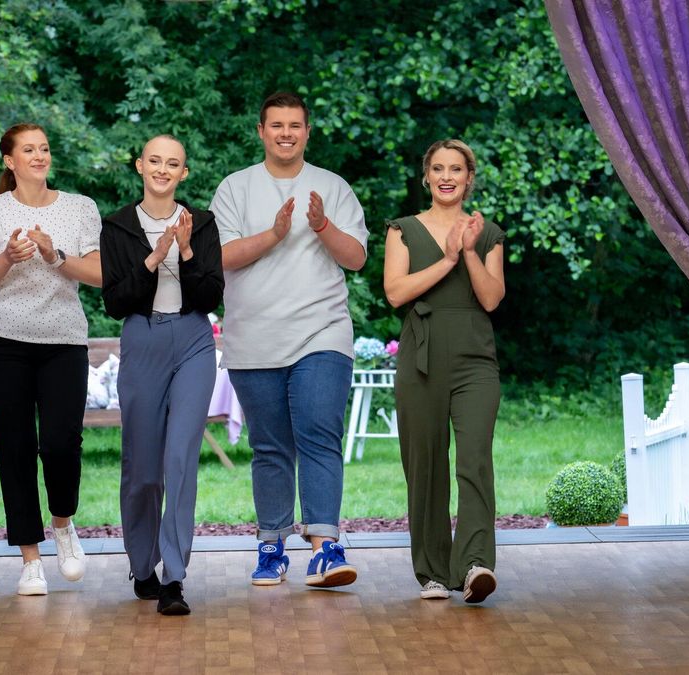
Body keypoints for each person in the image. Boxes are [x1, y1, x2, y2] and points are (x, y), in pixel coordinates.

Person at [209, 92, 368, 588]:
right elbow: (221, 256)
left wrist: (320, 225)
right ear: (261, 131)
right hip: (253, 338)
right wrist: (274, 235)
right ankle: (271, 547)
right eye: (276, 125)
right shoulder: (235, 188)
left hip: (322, 332)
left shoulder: (333, 186)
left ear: (307, 131)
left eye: (294, 125)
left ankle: (325, 548)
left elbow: (357, 257)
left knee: (319, 433)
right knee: (271, 447)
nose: (285, 133)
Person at [0, 123, 103, 596]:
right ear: (10, 161)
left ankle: (63, 525)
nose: (39, 155)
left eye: (44, 148)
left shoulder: (80, 208)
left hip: (63, 343)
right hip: (4, 344)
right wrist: (6, 258)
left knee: (61, 443)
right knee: (15, 449)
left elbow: (101, 275)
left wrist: (54, 253)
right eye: (29, 149)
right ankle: (30, 558)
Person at [100, 134, 224, 615]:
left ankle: (174, 576)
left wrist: (187, 251)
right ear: (140, 166)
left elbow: (211, 295)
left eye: (173, 164)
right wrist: (154, 258)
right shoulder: (118, 227)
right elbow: (115, 302)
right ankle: (143, 564)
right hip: (143, 339)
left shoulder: (204, 223)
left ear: (184, 173)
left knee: (179, 461)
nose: (163, 169)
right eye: (155, 161)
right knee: (145, 470)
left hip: (193, 341)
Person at [382, 139, 506, 604]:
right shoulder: (403, 230)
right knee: (425, 465)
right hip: (422, 358)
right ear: (426, 176)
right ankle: (433, 571)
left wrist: (470, 252)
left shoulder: (488, 232)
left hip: (475, 360)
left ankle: (474, 564)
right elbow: (396, 292)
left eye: (456, 168)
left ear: (469, 178)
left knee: (474, 460)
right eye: (438, 168)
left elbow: (491, 299)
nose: (447, 176)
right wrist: (449, 258)